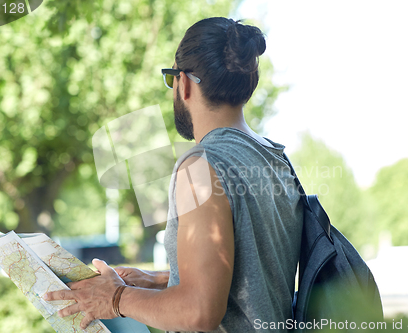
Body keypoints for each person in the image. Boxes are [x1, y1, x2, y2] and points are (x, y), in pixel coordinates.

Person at [45, 17, 303, 332]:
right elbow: (249, 279)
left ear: (185, 82)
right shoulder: (276, 159)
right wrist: (154, 280)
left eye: (172, 81)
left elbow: (200, 311)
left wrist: (116, 298)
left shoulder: (200, 166)